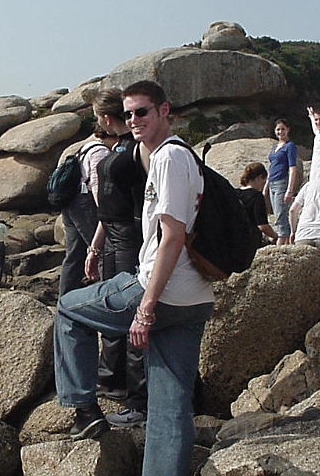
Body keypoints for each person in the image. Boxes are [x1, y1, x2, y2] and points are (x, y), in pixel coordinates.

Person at [54, 80, 213, 476]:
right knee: (169, 405)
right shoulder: (170, 155)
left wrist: (145, 307)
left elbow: (172, 237)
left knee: (69, 309)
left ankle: (84, 407)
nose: (133, 120)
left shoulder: (170, 159)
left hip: (160, 290)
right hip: (194, 298)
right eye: (128, 114)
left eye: (142, 111)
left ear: (164, 110)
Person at [83, 88, 149, 427]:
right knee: (111, 307)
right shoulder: (122, 148)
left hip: (129, 237)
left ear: (105, 119)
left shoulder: (138, 150)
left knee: (128, 310)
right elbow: (107, 211)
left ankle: (138, 398)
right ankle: (111, 378)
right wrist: (94, 248)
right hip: (113, 236)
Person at [58, 128, 110, 297]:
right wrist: (103, 208)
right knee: (101, 251)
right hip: (85, 204)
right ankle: (106, 297)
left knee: (73, 255)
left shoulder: (84, 148)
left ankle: (64, 299)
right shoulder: (100, 151)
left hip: (69, 204)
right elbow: (96, 182)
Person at [264, 118, 299, 245]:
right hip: (273, 182)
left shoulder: (290, 146)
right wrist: (266, 186)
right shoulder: (274, 147)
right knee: (277, 214)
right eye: (278, 129)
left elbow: (292, 168)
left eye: (283, 129)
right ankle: (287, 242)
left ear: (288, 130)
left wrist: (290, 189)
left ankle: (282, 242)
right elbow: (271, 167)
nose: (280, 132)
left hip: (282, 183)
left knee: (280, 215)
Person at [237, 162, 277, 247]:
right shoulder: (257, 196)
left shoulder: (234, 193)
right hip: (249, 240)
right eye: (263, 182)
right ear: (259, 178)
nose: (263, 185)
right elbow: (262, 226)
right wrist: (274, 236)